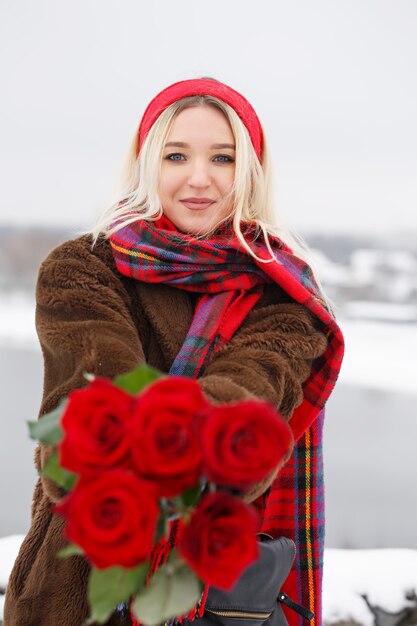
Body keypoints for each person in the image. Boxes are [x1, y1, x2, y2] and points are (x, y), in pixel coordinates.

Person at [4, 78, 344, 626]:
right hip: (74, 583)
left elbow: (248, 421)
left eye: (224, 158)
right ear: (146, 164)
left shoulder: (287, 299)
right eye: (176, 155)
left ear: (251, 171)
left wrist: (155, 437)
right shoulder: (83, 269)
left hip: (218, 599)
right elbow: (85, 420)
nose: (199, 179)